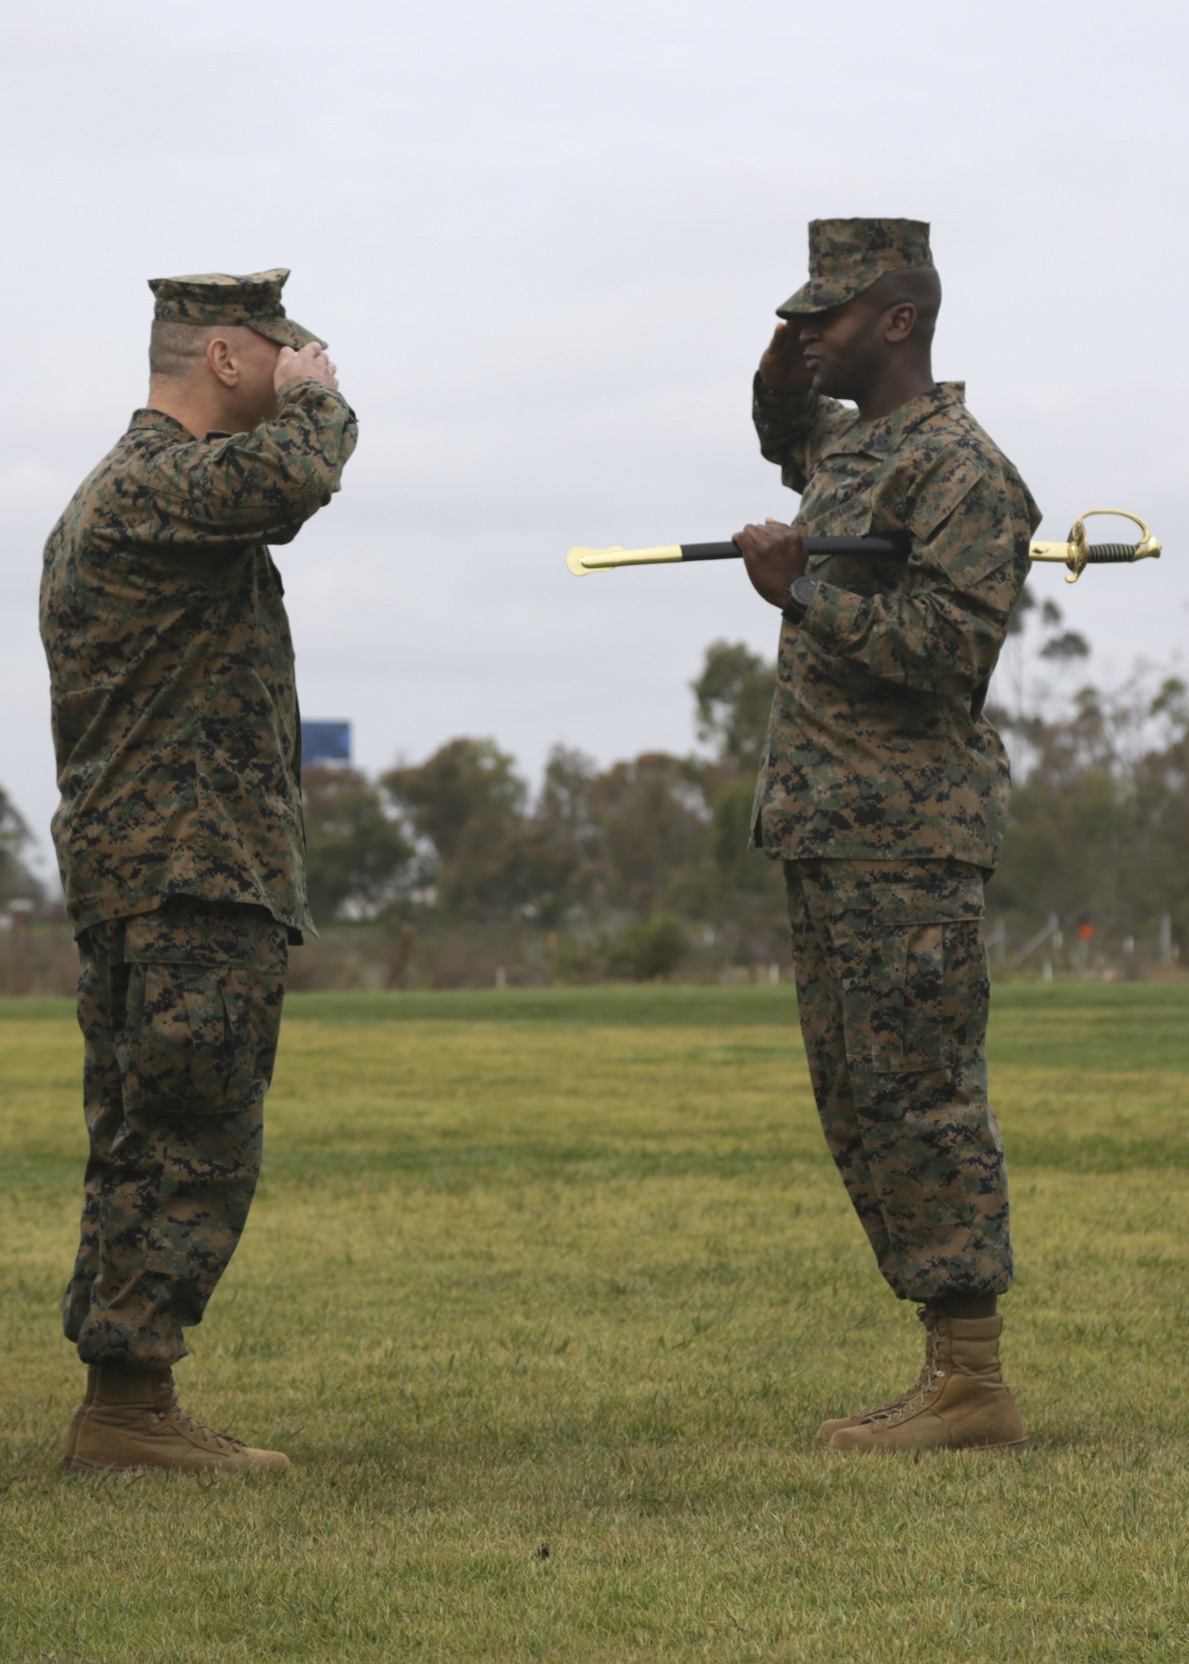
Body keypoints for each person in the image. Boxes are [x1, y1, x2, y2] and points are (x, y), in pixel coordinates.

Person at [40, 268, 357, 1474]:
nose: (294, 363)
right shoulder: (156, 486)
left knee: (145, 1133)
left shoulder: (130, 495)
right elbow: (293, 475)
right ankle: (129, 1412)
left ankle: (124, 1400)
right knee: (188, 1138)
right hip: (186, 874)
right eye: (273, 348)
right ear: (226, 357)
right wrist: (319, 398)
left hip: (164, 872)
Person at [733, 219, 1039, 1454]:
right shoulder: (845, 447)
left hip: (909, 835)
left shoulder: (961, 469)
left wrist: (801, 588)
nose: (811, 339)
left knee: (921, 1097)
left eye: (835, 317)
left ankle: (973, 1379)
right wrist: (792, 326)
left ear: (901, 321)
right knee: (859, 1102)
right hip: (827, 827)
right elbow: (772, 416)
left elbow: (943, 651)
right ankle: (943, 1367)